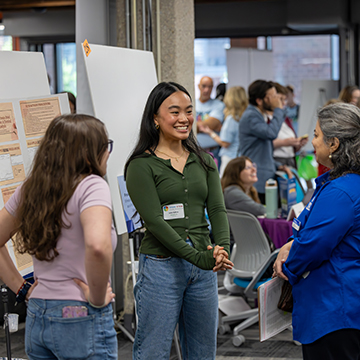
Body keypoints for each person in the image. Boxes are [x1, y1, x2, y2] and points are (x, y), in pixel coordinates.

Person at [124, 81, 233, 360]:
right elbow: (156, 223)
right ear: (155, 119)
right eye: (174, 112)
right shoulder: (140, 166)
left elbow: (218, 210)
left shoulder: (204, 160)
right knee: (153, 352)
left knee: (202, 353)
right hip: (161, 267)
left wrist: (221, 249)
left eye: (188, 111)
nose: (184, 119)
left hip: (202, 270)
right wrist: (200, 258)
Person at [0, 114, 118, 360]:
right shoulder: (92, 186)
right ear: (88, 153)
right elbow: (98, 247)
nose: (108, 152)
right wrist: (96, 299)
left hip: (37, 314)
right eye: (105, 145)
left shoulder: (32, 187)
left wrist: (21, 289)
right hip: (77, 313)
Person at [273, 102, 360, 359]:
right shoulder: (340, 184)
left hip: (334, 310)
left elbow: (312, 247)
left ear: (334, 143)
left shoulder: (341, 192)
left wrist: (287, 263)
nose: (313, 141)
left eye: (316, 135)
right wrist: (292, 243)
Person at [239, 79, 290, 204]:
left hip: (264, 176)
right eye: (272, 97)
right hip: (258, 180)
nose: (276, 99)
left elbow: (262, 151)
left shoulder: (257, 115)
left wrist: (279, 166)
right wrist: (278, 109)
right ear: (259, 100)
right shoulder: (251, 116)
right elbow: (271, 133)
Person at [200, 86, 248, 177]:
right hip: (240, 156)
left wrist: (210, 132)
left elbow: (225, 143)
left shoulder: (231, 119)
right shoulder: (243, 118)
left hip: (230, 158)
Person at [272, 83, 308, 168]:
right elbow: (265, 144)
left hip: (290, 159)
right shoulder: (268, 119)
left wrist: (297, 144)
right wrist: (285, 142)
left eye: (284, 100)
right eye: (281, 99)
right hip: (277, 161)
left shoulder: (285, 118)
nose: (284, 104)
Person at [196, 76, 226, 167]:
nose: (207, 90)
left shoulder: (219, 105)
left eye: (210, 87)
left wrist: (194, 126)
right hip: (196, 151)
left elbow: (213, 123)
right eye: (204, 86)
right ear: (198, 86)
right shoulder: (192, 103)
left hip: (213, 152)